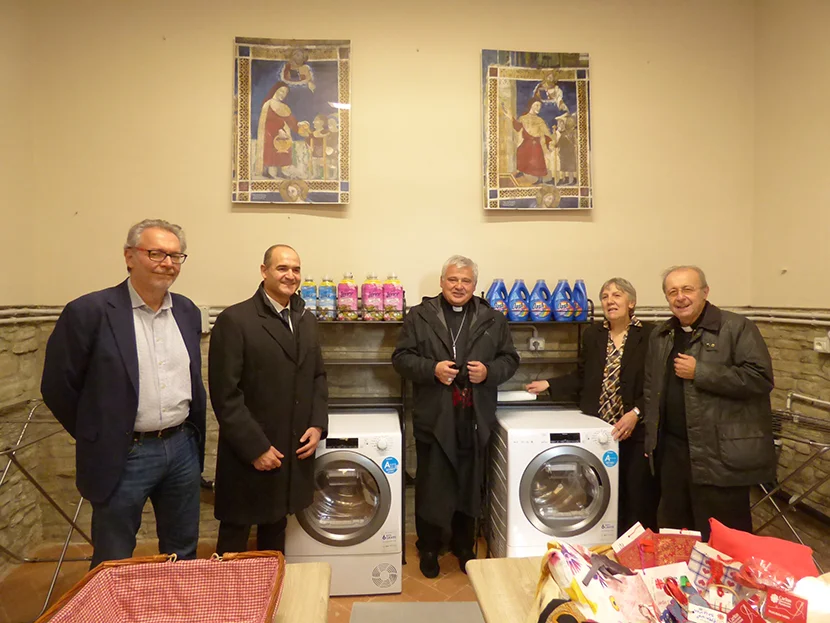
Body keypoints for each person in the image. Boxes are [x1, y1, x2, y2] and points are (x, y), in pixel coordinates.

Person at [41, 219, 206, 568]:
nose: (168, 263)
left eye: (176, 256)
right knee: (113, 557)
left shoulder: (187, 312)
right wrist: (98, 434)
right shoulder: (89, 312)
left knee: (183, 550)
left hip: (181, 450)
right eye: (156, 253)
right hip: (124, 453)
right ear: (130, 257)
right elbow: (57, 387)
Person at [392, 255, 519, 578]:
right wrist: (431, 369)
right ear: (441, 281)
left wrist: (489, 372)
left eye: (465, 281)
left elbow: (510, 360)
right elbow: (401, 358)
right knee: (432, 485)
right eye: (452, 279)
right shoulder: (419, 316)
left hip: (474, 416)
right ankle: (430, 547)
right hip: (434, 418)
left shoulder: (493, 318)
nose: (458, 286)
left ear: (474, 285)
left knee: (469, 483)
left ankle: (464, 546)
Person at [209, 244, 328, 554]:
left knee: (276, 528)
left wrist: (317, 424)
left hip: (291, 448)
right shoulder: (235, 320)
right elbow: (225, 395)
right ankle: (227, 599)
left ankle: (271, 593)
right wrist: (256, 448)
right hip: (249, 451)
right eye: (282, 268)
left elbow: (317, 376)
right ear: (264, 272)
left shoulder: (305, 318)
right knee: (236, 532)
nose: (290, 275)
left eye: (296, 269)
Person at [643, 266, 776, 540]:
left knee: (722, 537)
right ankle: (678, 582)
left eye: (687, 289)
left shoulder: (737, 328)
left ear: (705, 291)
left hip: (719, 457)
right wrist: (650, 441)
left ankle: (725, 585)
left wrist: (700, 372)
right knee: (675, 533)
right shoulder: (661, 335)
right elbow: (651, 389)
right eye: (673, 291)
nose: (680, 297)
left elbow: (760, 379)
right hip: (673, 454)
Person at [526, 278, 659, 534]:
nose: (610, 300)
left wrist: (636, 414)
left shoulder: (650, 335)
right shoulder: (594, 334)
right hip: (599, 430)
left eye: (617, 295)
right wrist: (549, 384)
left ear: (631, 302)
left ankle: (635, 550)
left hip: (636, 429)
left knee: (636, 494)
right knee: (600, 490)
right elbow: (583, 376)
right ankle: (604, 545)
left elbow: (657, 385)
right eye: (605, 296)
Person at [502, 98, 553, 182]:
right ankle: (522, 170)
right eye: (536, 105)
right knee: (520, 151)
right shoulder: (523, 118)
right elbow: (517, 127)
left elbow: (546, 133)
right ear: (531, 106)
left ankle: (540, 179)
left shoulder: (540, 120)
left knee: (537, 160)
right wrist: (510, 117)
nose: (538, 107)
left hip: (536, 143)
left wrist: (550, 142)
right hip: (527, 141)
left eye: (540, 106)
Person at [256, 82, 298, 179]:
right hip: (269, 132)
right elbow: (265, 121)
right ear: (275, 90)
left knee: (283, 149)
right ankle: (265, 171)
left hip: (282, 132)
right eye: (281, 91)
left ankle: (280, 172)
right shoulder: (268, 104)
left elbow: (290, 121)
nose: (283, 94)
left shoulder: (284, 107)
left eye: (285, 93)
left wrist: (299, 127)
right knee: (269, 149)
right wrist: (274, 131)